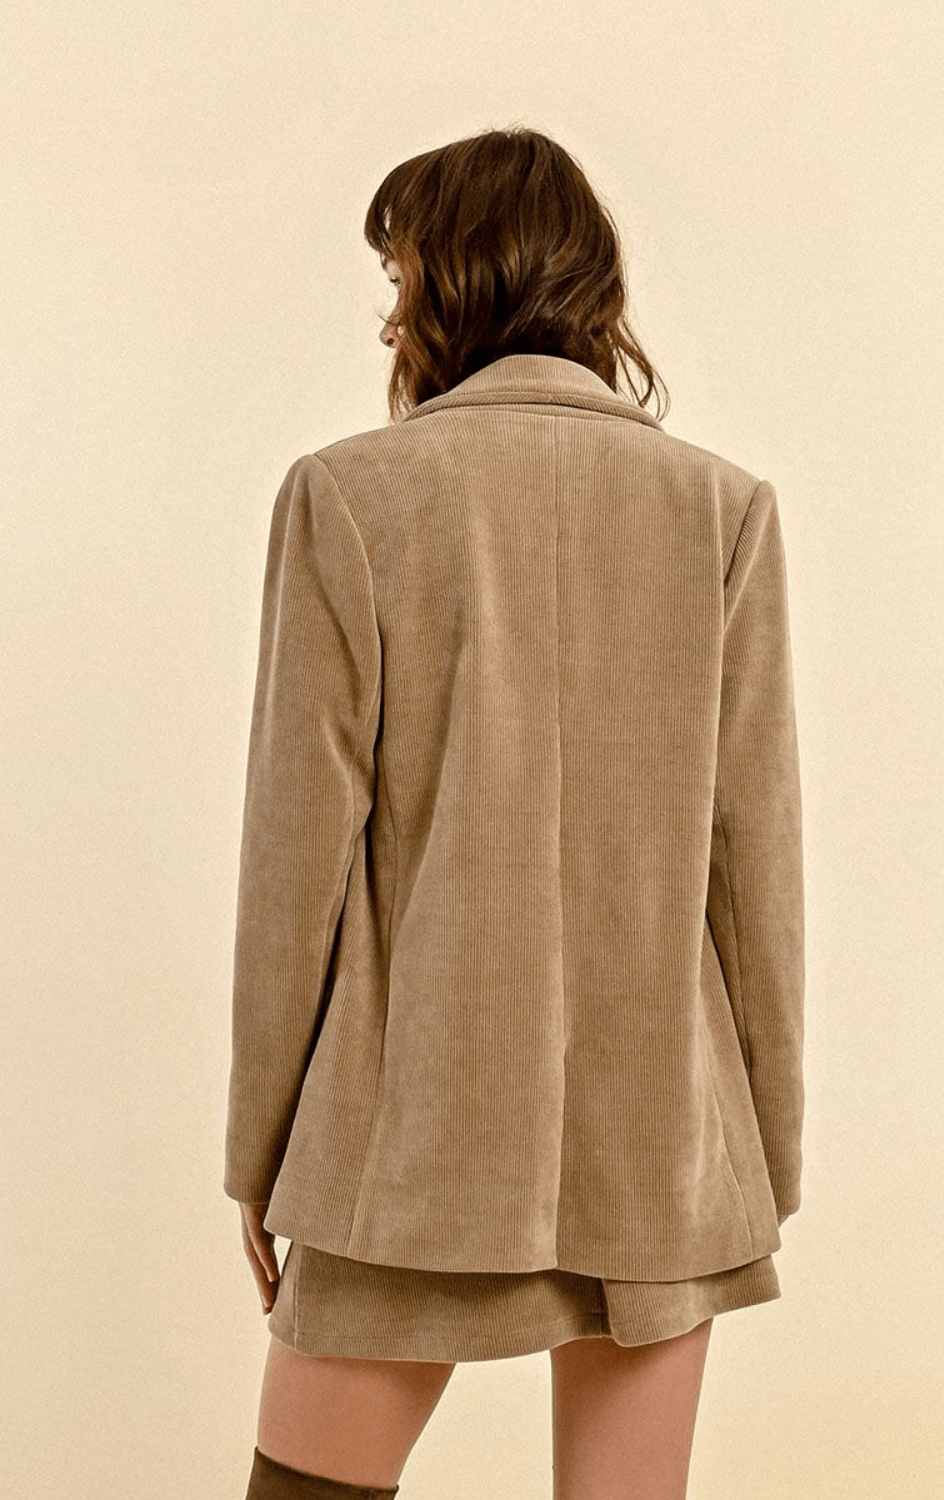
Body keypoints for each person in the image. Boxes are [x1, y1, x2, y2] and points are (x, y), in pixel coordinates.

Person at [224, 125, 806, 1500]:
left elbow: (296, 863)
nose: (389, 317)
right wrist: (761, 1159)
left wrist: (260, 1151)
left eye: (399, 276)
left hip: (405, 1136)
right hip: (660, 1139)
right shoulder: (720, 508)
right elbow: (756, 869)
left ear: (460, 280)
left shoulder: (350, 497)